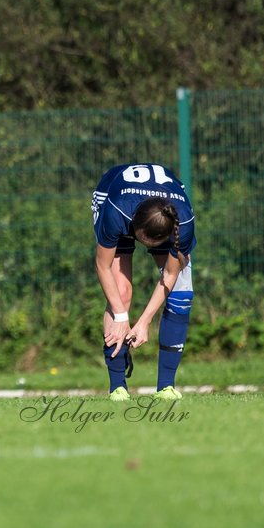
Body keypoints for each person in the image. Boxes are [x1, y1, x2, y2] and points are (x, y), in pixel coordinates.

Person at [91, 163, 195, 402]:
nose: (147, 248)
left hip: (163, 214)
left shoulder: (184, 223)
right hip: (112, 192)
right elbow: (102, 266)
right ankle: (118, 386)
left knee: (182, 293)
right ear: (134, 228)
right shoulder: (117, 212)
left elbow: (170, 275)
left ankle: (166, 387)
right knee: (122, 293)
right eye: (143, 241)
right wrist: (121, 316)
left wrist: (145, 321)